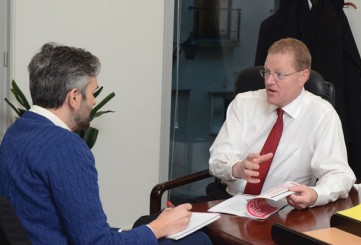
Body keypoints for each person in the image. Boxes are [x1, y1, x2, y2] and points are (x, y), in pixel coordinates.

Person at [0, 43, 212, 245]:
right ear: (74, 97)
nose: (93, 101)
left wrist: (150, 227)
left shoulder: (16, 132)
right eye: (92, 92)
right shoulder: (65, 147)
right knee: (197, 240)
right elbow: (96, 242)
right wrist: (158, 228)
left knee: (144, 223)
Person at [208, 38, 356, 210]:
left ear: (303, 76)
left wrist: (316, 194)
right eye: (267, 72)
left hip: (283, 211)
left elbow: (339, 174)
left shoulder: (322, 114)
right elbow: (217, 158)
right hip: (229, 202)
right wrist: (236, 168)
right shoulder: (243, 103)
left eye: (279, 74)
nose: (269, 81)